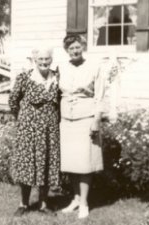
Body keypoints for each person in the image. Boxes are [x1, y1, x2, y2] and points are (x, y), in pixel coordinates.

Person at [58, 34, 106, 219]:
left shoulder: (94, 67)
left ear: (83, 47)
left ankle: (84, 202)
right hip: (66, 119)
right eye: (71, 48)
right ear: (66, 51)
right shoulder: (61, 68)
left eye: (78, 47)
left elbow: (100, 95)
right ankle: (76, 199)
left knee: (85, 162)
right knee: (71, 162)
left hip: (86, 118)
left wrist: (96, 120)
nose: (75, 51)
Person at [8, 46, 60, 216]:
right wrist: (24, 119)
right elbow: (13, 100)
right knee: (27, 164)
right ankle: (23, 204)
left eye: (47, 59)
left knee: (46, 164)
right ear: (35, 61)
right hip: (28, 129)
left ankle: (44, 204)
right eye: (40, 60)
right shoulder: (25, 77)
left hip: (49, 129)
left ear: (51, 60)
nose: (44, 62)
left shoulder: (57, 77)